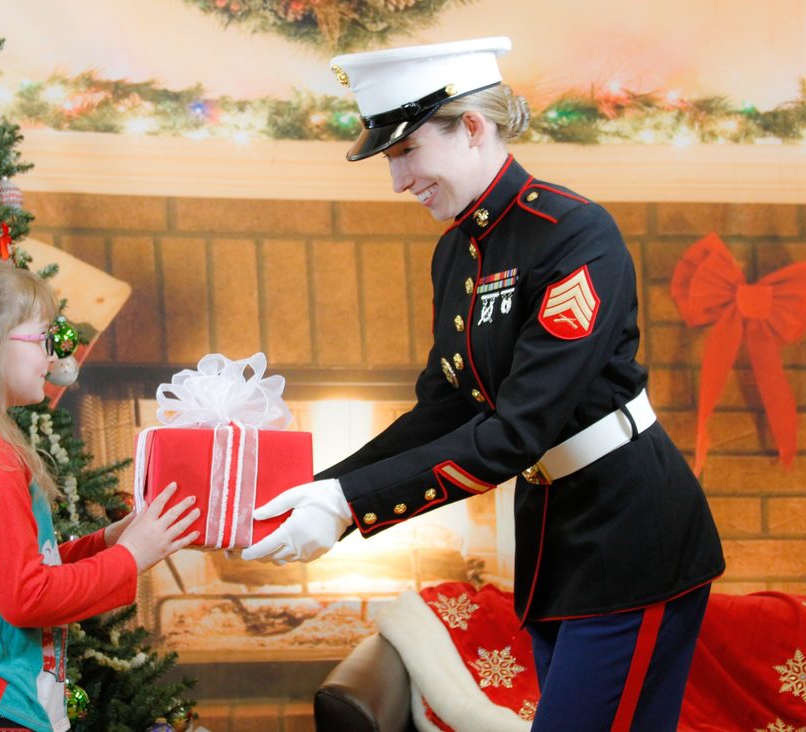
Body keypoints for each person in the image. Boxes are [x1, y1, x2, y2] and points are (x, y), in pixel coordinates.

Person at [242, 37, 725, 730]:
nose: (398, 181)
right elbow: (444, 409)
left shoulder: (574, 233)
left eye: (406, 152)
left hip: (629, 534)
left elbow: (518, 431)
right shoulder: (456, 253)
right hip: (556, 536)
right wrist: (325, 489)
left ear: (471, 126)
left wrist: (349, 505)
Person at [0, 252, 200, 732]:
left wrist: (110, 541)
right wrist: (132, 557)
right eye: (42, 338)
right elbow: (26, 598)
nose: (54, 355)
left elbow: (15, 572)